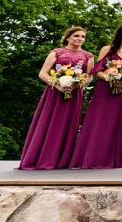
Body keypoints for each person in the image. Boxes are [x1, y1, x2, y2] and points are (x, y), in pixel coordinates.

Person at [19, 26, 94, 170]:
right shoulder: (56, 52)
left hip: (74, 94)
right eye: (76, 36)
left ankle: (63, 160)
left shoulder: (88, 56)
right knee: (49, 122)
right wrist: (58, 85)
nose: (80, 39)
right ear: (68, 37)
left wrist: (76, 85)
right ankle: (42, 158)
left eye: (83, 36)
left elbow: (89, 77)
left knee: (69, 124)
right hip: (54, 92)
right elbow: (43, 73)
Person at [70, 24, 122, 169]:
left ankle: (114, 160)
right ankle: (91, 158)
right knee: (98, 121)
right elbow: (97, 71)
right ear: (120, 33)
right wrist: (109, 78)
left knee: (118, 122)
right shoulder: (107, 49)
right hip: (104, 89)